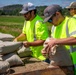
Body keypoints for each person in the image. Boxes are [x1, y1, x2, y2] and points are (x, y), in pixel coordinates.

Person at [42, 4, 76, 73]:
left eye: (50, 20)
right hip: (64, 64)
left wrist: (56, 41)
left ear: (57, 14)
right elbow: (53, 44)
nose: (50, 23)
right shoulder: (54, 28)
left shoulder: (71, 22)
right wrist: (46, 49)